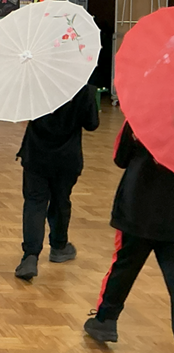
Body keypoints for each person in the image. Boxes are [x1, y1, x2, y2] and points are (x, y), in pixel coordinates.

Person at [83, 121, 174, 343]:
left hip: (137, 206)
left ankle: (105, 320)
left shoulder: (140, 115)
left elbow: (120, 158)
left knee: (124, 265)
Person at [14, 85, 99, 281]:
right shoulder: (83, 88)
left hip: (36, 155)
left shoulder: (36, 83)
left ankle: (30, 256)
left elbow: (22, 111)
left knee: (34, 203)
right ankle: (59, 247)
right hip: (67, 158)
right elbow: (92, 124)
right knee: (61, 200)